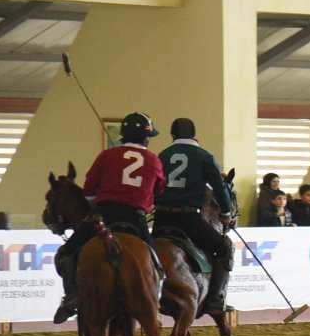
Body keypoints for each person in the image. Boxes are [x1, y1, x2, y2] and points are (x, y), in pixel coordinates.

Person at [52, 112, 165, 323]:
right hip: (135, 219)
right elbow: (159, 191)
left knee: (66, 253)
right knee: (156, 264)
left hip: (104, 215)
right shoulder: (154, 160)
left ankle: (71, 297)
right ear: (145, 138)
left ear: (123, 135)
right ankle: (153, 306)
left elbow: (88, 191)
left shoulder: (106, 156)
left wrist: (99, 202)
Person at [154, 118, 236, 316]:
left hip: (161, 219)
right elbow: (220, 188)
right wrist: (225, 213)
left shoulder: (162, 155)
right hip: (189, 220)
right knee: (226, 247)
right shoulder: (205, 157)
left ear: (172, 135)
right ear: (194, 134)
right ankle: (216, 298)